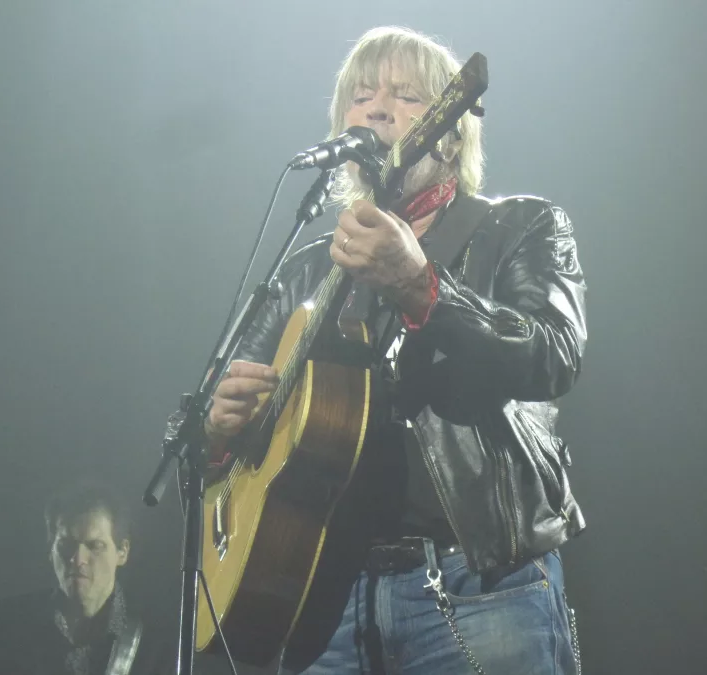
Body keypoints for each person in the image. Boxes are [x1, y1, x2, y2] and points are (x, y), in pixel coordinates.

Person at [203, 26, 586, 674]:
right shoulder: (305, 270)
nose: (377, 109)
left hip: (477, 582)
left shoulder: (520, 226)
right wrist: (220, 429)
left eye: (406, 96)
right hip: (322, 600)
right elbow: (211, 436)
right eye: (361, 97)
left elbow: (553, 353)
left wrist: (421, 287)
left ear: (451, 131)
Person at [0, 483, 168, 675]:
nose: (78, 559)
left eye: (95, 545)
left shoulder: (157, 641)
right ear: (50, 549)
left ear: (122, 551)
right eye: (66, 545)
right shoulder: (6, 626)